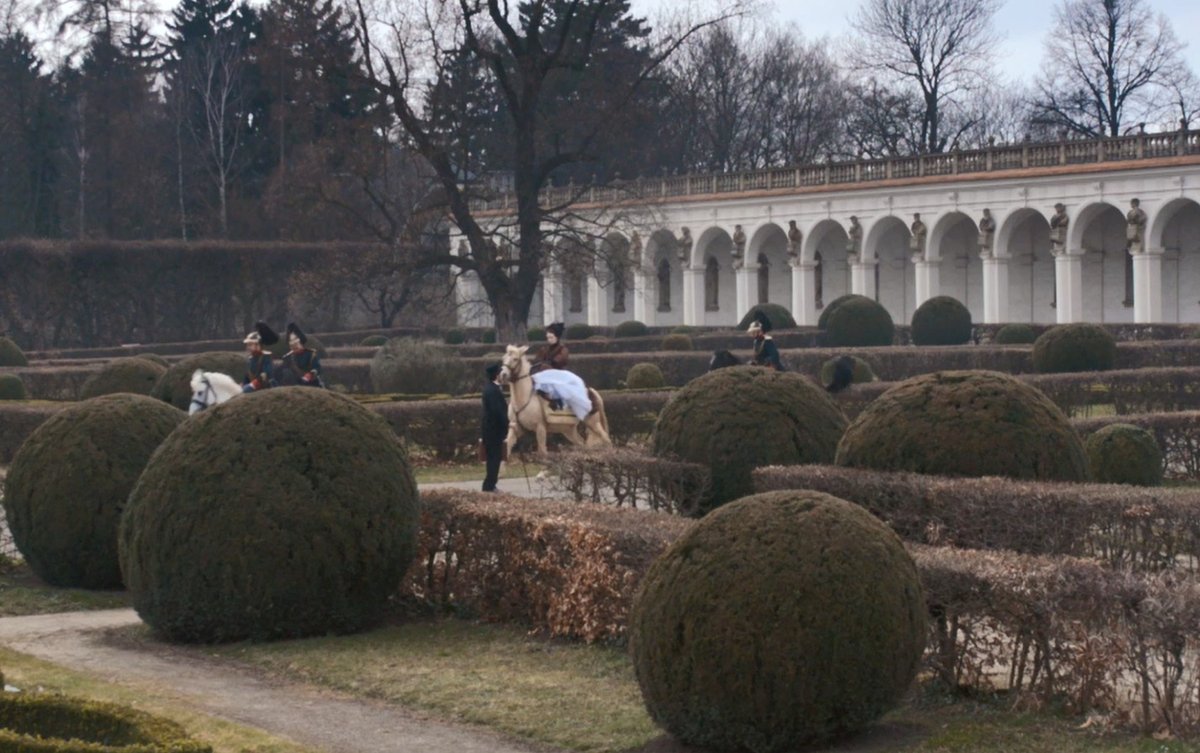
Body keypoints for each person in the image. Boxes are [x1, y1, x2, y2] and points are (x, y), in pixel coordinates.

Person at [529, 322, 593, 420]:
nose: (549, 340)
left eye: (551, 337)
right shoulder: (544, 349)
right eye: (548, 338)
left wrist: (552, 361)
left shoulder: (563, 349)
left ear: (557, 337)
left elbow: (562, 359)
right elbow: (537, 360)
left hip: (558, 374)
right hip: (544, 373)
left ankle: (558, 402)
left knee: (561, 388)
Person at [480, 362, 508, 492]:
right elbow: (497, 411)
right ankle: (489, 485)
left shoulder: (492, 388)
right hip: (493, 431)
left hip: (493, 430)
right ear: (496, 375)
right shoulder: (492, 390)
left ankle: (491, 484)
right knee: (494, 459)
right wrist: (507, 423)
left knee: (495, 458)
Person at [281, 322, 323, 388]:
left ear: (300, 342)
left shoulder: (310, 354)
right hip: (293, 386)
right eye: (292, 345)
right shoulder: (287, 358)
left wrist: (310, 374)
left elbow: (317, 368)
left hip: (311, 385)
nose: (294, 346)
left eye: (296, 343)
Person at [241, 321, 278, 393]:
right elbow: (247, 376)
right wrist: (243, 384)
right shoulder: (250, 359)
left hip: (266, 387)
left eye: (250, 344)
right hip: (253, 386)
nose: (248, 347)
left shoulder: (266, 357)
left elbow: (266, 375)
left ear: (258, 345)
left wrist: (253, 385)